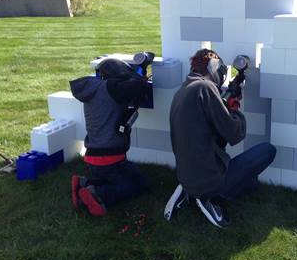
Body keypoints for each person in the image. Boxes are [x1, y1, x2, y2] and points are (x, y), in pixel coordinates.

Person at [165, 49, 276, 227]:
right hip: (209, 180)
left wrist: (225, 106)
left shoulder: (185, 89)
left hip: (186, 174)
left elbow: (205, 129)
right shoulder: (205, 87)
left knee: (252, 184)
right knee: (267, 151)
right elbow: (234, 134)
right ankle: (207, 198)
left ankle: (189, 190)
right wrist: (234, 111)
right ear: (213, 68)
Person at [70, 57, 151, 217]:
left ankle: (84, 182)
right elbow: (141, 85)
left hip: (93, 157)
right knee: (137, 185)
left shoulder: (92, 88)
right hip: (110, 159)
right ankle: (98, 194)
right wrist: (139, 68)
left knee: (128, 175)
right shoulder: (113, 88)